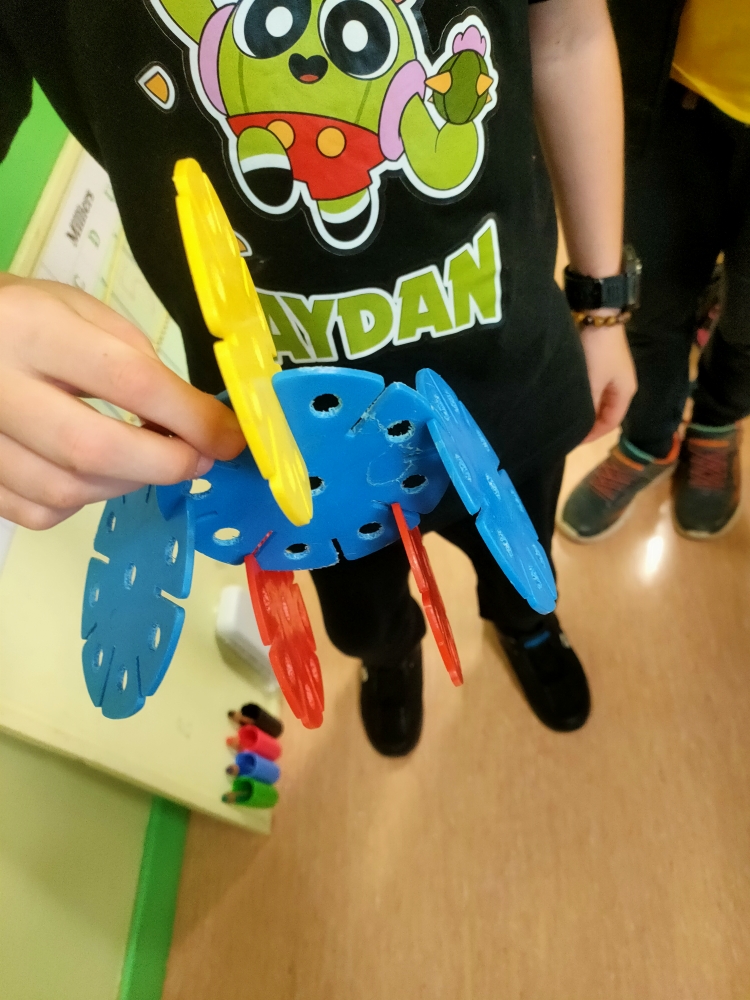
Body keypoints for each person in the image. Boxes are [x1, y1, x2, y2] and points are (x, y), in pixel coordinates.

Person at [0, 0, 635, 756]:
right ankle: (389, 655)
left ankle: (526, 625)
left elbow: (568, 35)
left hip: (504, 375)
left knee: (521, 562)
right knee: (361, 619)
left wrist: (602, 301)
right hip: (294, 446)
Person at [560, 0, 750, 544]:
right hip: (673, 81)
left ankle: (716, 421)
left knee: (748, 325)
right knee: (650, 301)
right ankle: (649, 440)